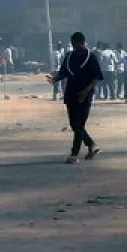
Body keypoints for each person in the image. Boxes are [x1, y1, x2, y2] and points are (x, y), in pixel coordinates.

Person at [46, 32, 104, 163]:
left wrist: (86, 91)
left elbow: (96, 78)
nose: (74, 47)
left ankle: (74, 154)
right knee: (74, 124)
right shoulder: (69, 57)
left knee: (79, 124)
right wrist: (55, 79)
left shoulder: (91, 57)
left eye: (76, 45)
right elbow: (64, 73)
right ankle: (91, 144)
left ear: (81, 43)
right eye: (73, 45)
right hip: (71, 93)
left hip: (85, 95)